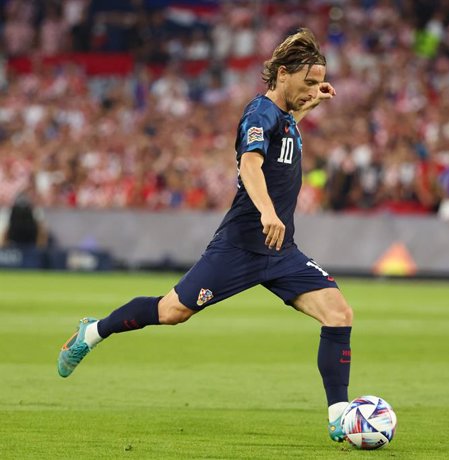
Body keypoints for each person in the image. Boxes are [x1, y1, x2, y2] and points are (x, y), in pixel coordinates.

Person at [57, 28, 354, 442]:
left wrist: (309, 102)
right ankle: (93, 331)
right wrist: (268, 211)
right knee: (172, 311)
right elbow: (250, 164)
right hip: (240, 246)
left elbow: (284, 133)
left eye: (315, 84)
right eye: (306, 83)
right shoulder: (259, 114)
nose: (311, 90)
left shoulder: (285, 117)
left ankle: (339, 417)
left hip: (281, 251)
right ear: (282, 75)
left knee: (339, 314)